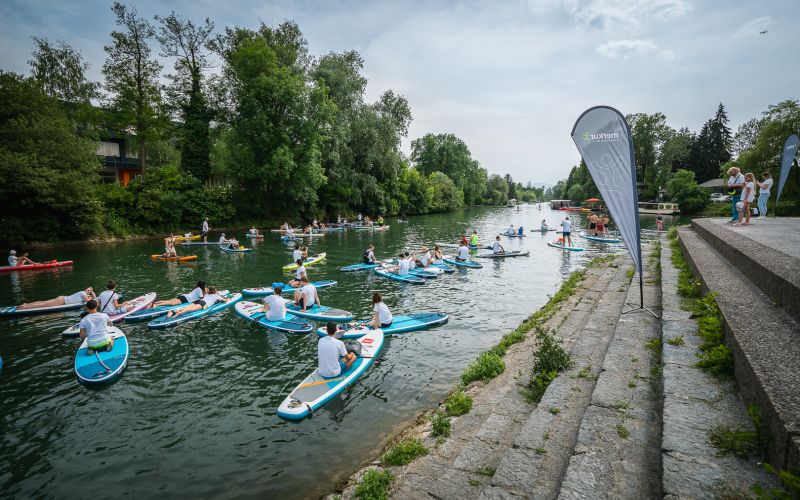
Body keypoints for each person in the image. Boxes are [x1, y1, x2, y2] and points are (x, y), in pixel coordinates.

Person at [165, 286, 229, 318]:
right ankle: (179, 313)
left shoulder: (207, 294)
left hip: (198, 301)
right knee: (190, 309)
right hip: (204, 304)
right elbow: (225, 300)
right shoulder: (216, 296)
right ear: (215, 291)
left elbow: (207, 293)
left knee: (186, 307)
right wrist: (228, 299)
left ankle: (173, 311)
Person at [17, 287, 95, 310]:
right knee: (43, 305)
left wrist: (92, 292)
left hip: (62, 299)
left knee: (43, 302)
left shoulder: (84, 293)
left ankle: (26, 304)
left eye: (89, 291)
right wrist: (90, 295)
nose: (88, 291)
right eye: (88, 289)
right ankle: (25, 307)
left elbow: (94, 298)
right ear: (85, 290)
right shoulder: (83, 293)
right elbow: (89, 301)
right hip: (62, 300)